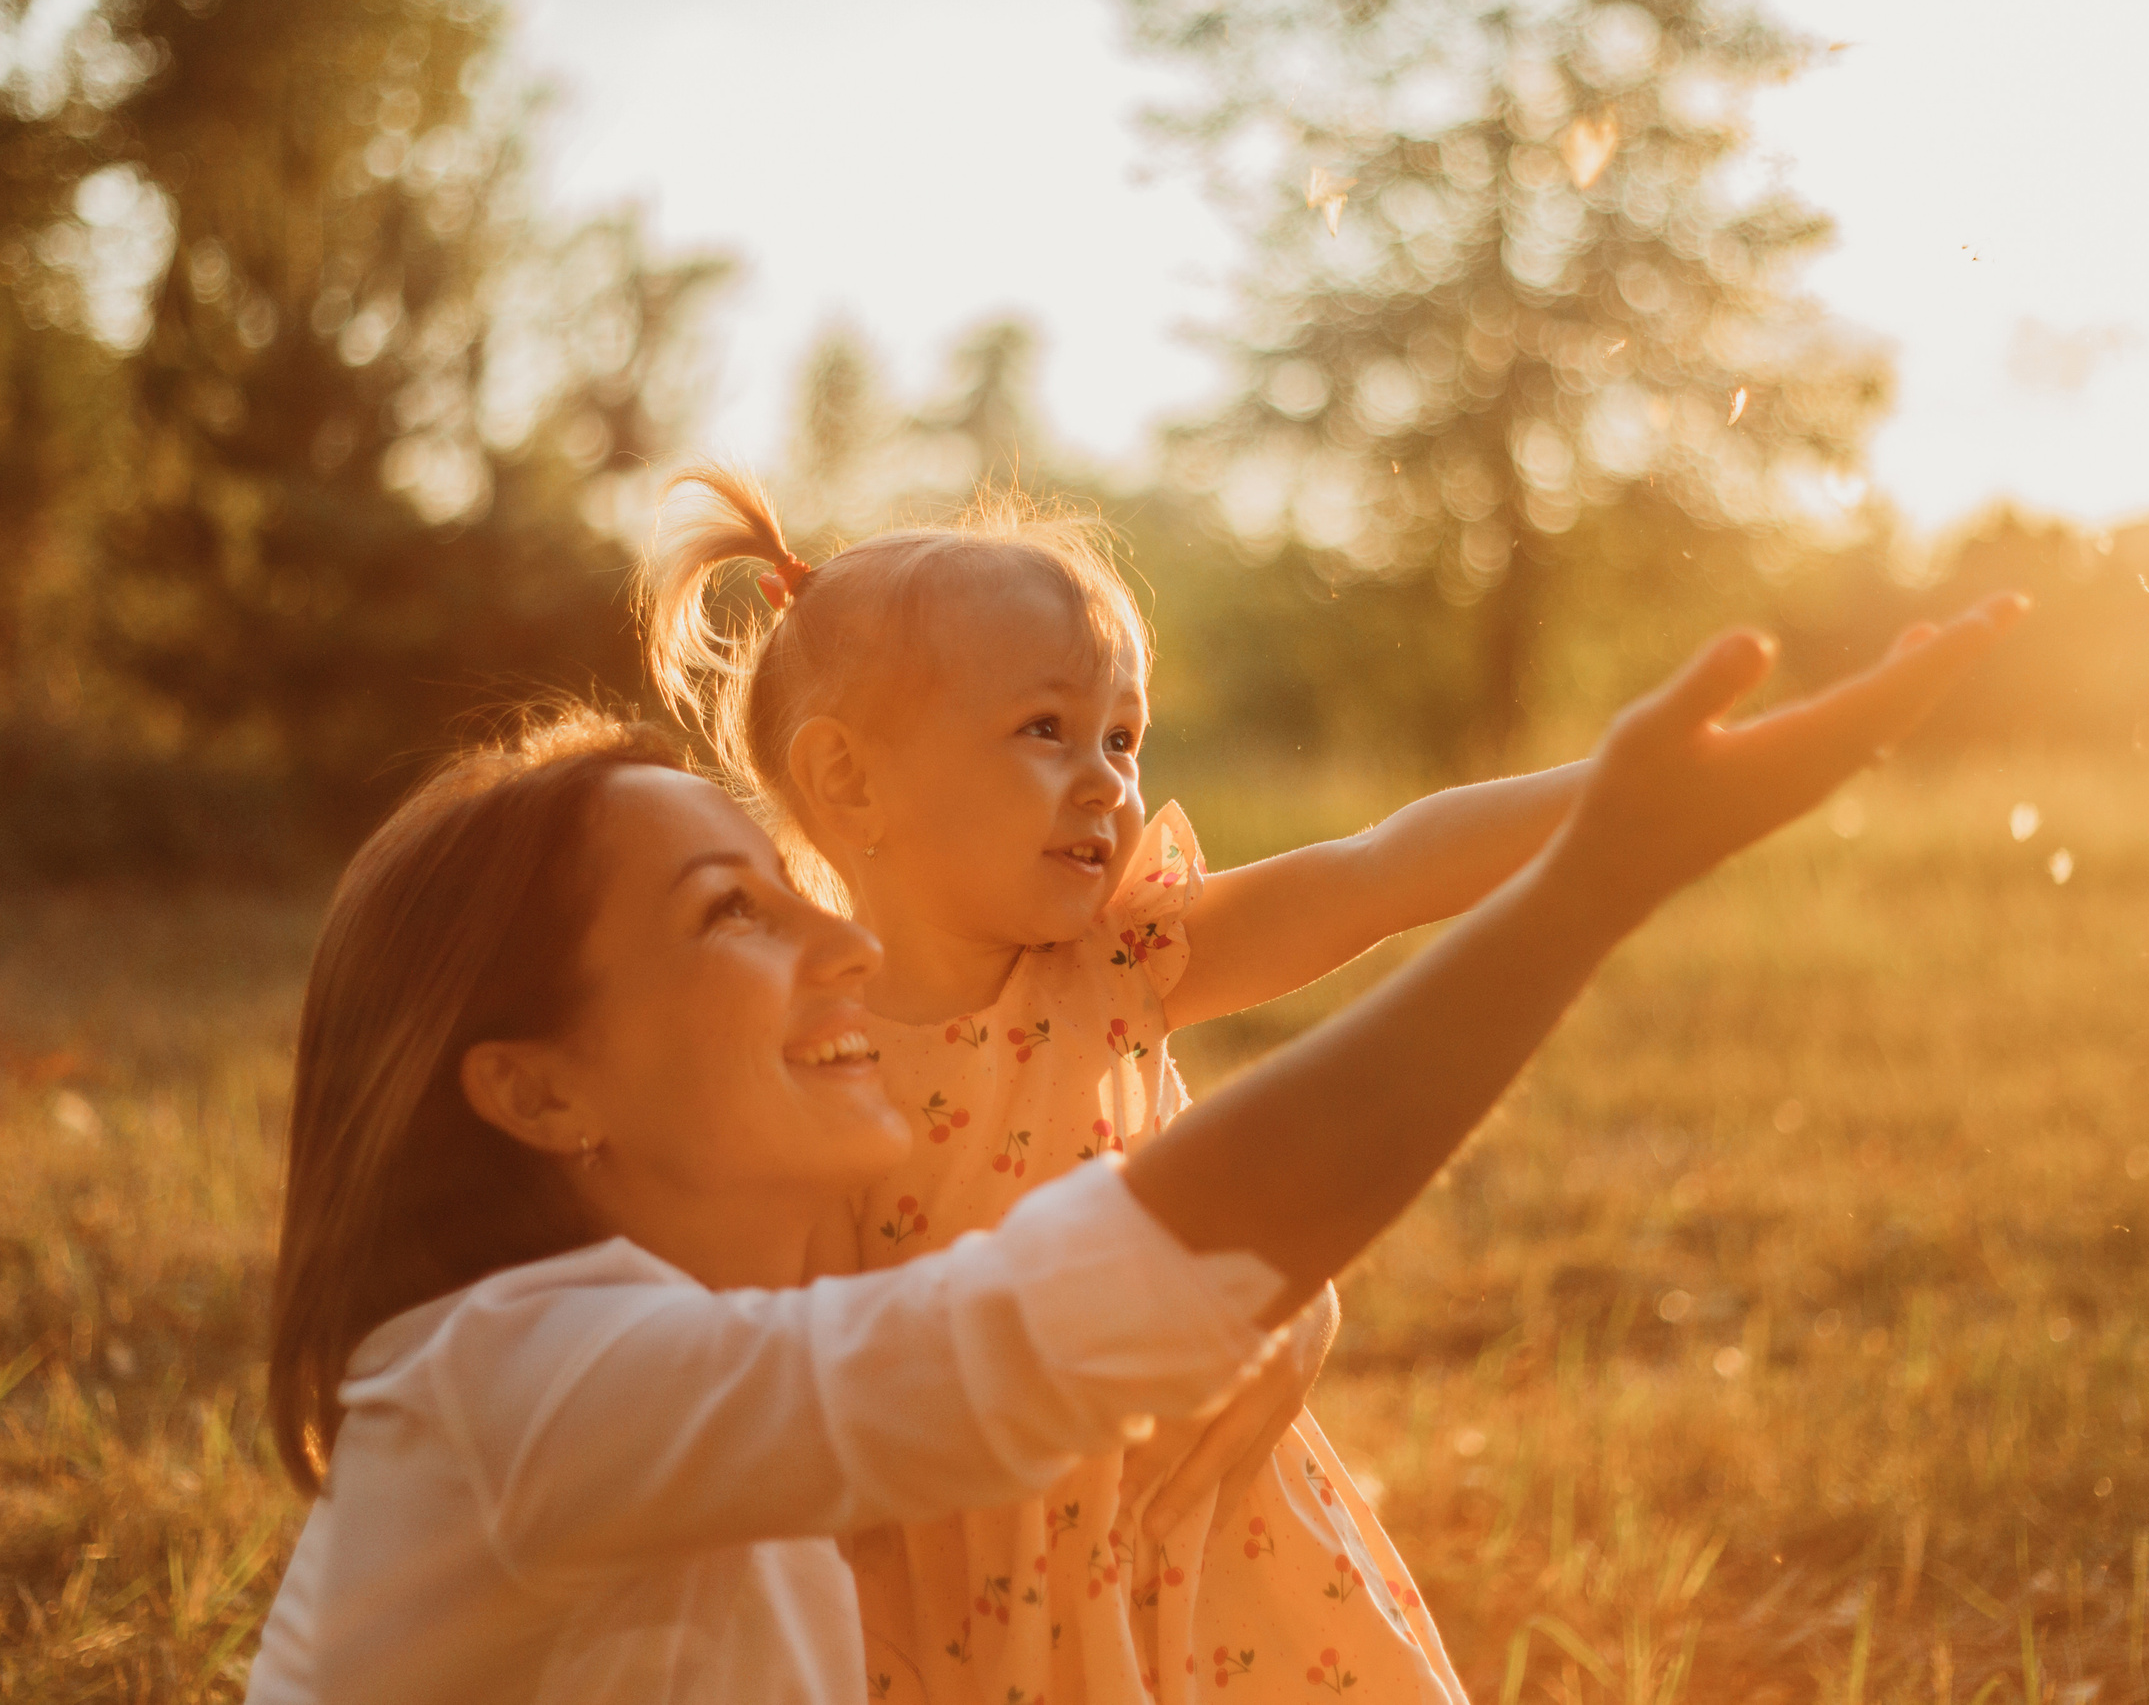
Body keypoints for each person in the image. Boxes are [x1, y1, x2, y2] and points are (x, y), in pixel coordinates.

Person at [245, 593, 2025, 1703]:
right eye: (738, 912)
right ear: (541, 1090)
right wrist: (1595, 880)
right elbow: (1014, 1336)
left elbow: (1075, 1284)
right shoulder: (524, 1384)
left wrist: (1275, 1307)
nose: (847, 945)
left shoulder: (682, 1378)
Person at [636, 473, 1618, 1701]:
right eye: (1044, 729)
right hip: (956, 1606)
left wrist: (1622, 795)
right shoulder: (802, 1059)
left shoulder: (1120, 962)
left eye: (1123, 737)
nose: (1105, 780)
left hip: (1211, 1542)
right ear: (847, 783)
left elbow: (1380, 872)